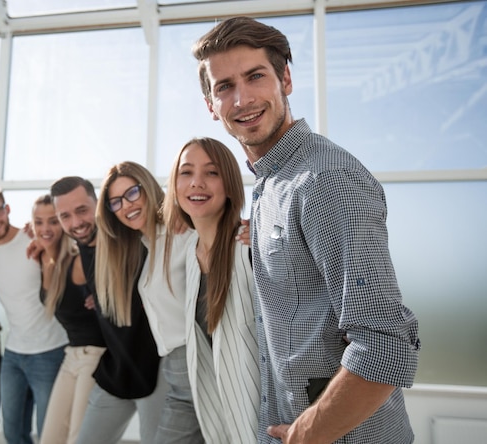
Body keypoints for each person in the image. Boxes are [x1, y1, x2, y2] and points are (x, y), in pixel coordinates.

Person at [192, 16, 421, 444]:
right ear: (211, 105)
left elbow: (385, 343)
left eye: (255, 76)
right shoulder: (269, 186)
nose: (242, 99)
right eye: (224, 86)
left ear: (286, 79)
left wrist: (307, 433)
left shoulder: (325, 180)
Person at [49, 176, 167, 444]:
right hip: (116, 368)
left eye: (82, 210)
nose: (76, 223)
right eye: (65, 216)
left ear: (99, 204)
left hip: (157, 369)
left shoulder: (126, 236)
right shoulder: (80, 250)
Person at [95, 161, 204, 443]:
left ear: (148, 188)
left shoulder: (182, 233)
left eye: (132, 193)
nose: (126, 205)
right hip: (172, 370)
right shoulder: (145, 247)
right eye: (115, 202)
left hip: (197, 363)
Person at [163, 137, 260, 442]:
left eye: (212, 173)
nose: (197, 183)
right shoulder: (191, 254)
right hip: (221, 420)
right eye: (186, 172)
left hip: (267, 417)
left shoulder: (249, 247)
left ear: (230, 184)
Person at [0, 185, 68, 444]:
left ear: (7, 209)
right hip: (13, 354)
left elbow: (69, 247)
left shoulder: (35, 239)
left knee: (49, 434)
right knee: (13, 433)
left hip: (50, 350)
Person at [32, 194, 106, 444]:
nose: (46, 229)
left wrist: (101, 297)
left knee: (79, 437)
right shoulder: (43, 258)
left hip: (95, 356)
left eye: (53, 221)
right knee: (50, 438)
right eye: (38, 222)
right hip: (71, 355)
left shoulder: (80, 259)